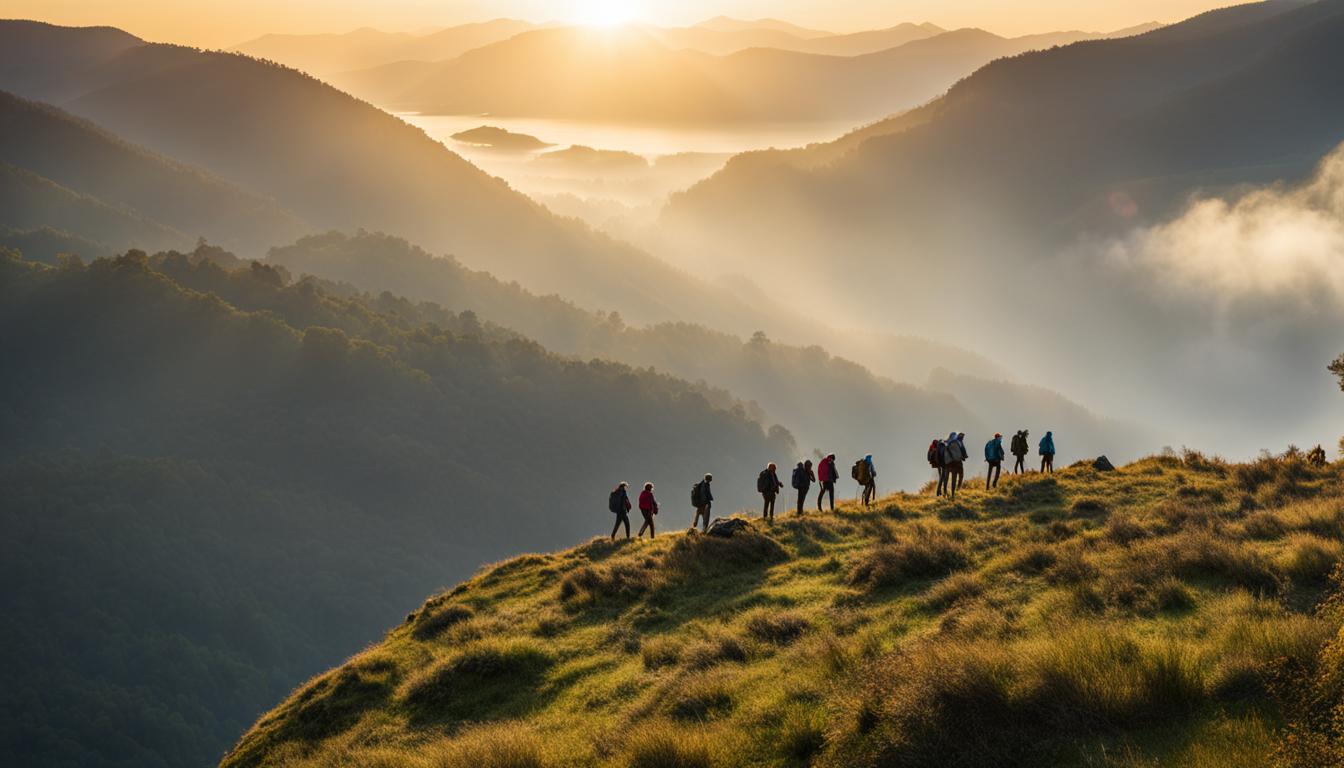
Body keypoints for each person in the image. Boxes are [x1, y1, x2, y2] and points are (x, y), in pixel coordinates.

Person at [942, 432, 964, 499]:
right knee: (957, 477)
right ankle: (954, 494)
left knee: (946, 478)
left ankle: (945, 492)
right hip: (955, 463)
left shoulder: (946, 442)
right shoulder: (957, 442)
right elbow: (962, 453)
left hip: (947, 464)